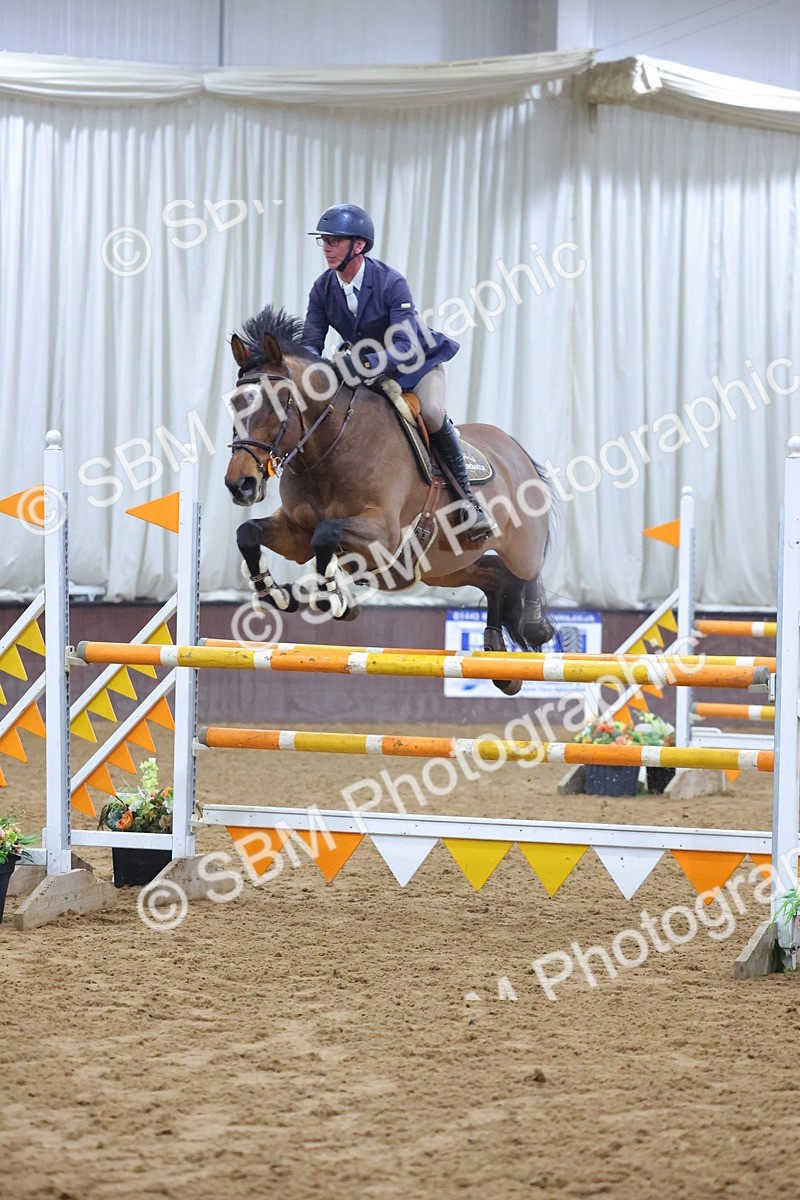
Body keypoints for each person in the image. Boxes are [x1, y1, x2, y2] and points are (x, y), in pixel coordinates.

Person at [302, 203, 492, 541]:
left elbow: (405, 345)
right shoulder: (322, 289)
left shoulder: (390, 282)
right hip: (367, 371)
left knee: (431, 413)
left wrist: (362, 364)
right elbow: (311, 343)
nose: (326, 248)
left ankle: (468, 502)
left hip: (417, 365)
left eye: (334, 241)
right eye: (324, 241)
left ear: (358, 245)